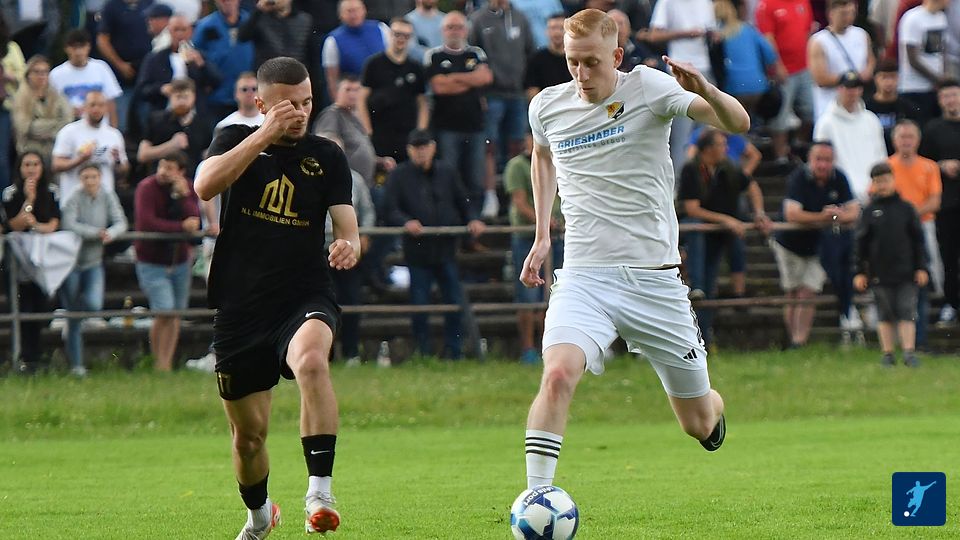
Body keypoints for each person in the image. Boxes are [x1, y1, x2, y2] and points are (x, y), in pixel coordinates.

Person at [519, 8, 750, 492]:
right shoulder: (546, 106)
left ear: (617, 56)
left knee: (698, 423)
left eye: (592, 62)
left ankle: (713, 406)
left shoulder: (649, 87)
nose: (581, 73)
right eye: (572, 61)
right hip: (584, 277)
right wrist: (542, 235)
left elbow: (739, 123)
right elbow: (542, 156)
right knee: (557, 373)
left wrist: (705, 89)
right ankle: (537, 498)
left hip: (654, 280)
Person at [193, 56, 360, 538]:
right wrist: (264, 135)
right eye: (289, 105)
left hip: (304, 292)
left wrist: (349, 244)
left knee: (311, 361)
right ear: (262, 104)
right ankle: (260, 515)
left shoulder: (327, 156)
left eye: (307, 102)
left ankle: (320, 495)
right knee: (248, 438)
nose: (301, 113)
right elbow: (204, 185)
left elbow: (348, 227)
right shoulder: (233, 138)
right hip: (241, 304)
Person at [382, 128, 485, 359]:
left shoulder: (447, 172)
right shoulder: (399, 175)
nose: (421, 151)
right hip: (417, 251)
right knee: (420, 303)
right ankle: (423, 351)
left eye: (424, 146)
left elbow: (463, 201)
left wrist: (473, 219)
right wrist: (405, 222)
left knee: (454, 301)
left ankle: (454, 350)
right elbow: (389, 209)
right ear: (409, 150)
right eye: (416, 147)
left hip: (446, 249)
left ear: (433, 147)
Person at [678, 129, 772, 345]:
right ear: (708, 149)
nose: (726, 148)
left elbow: (751, 185)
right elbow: (692, 209)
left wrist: (759, 213)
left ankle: (703, 339)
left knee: (710, 284)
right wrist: (727, 220)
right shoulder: (691, 169)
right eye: (721, 144)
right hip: (694, 233)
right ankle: (697, 284)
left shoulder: (728, 167)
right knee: (697, 229)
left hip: (717, 234)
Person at [773, 141, 860, 348]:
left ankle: (799, 341)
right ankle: (792, 339)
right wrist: (823, 217)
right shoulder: (798, 178)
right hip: (789, 245)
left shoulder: (839, 178)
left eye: (827, 160)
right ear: (810, 159)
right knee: (793, 292)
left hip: (819, 247)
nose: (823, 165)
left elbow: (854, 212)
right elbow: (791, 214)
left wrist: (836, 215)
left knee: (809, 291)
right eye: (818, 159)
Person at [854, 162, 928, 367]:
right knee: (884, 314)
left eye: (886, 180)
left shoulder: (907, 209)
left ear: (894, 180)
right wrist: (859, 271)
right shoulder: (869, 212)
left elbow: (918, 241)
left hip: (906, 271)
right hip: (879, 272)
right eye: (878, 181)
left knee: (906, 311)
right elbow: (860, 244)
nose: (882, 185)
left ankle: (909, 352)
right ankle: (887, 353)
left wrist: (921, 267)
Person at [134, 151, 201, 372]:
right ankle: (158, 362)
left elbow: (195, 220)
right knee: (164, 310)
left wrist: (184, 197)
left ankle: (167, 362)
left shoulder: (186, 187)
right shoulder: (146, 188)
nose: (163, 172)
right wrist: (180, 227)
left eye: (170, 168)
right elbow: (146, 222)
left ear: (181, 172)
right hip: (151, 260)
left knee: (175, 314)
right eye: (161, 166)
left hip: (179, 260)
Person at [59, 164, 128, 377]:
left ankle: (73, 319)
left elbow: (121, 222)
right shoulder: (73, 197)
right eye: (86, 177)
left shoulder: (108, 196)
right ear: (80, 179)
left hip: (94, 261)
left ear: (100, 178)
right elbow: (69, 224)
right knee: (73, 315)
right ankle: (76, 365)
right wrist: (95, 233)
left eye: (94, 176)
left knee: (93, 304)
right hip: (71, 263)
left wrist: (111, 234)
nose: (90, 181)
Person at [469, 0, 536, 217]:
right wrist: (479, 93)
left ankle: (514, 195)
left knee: (517, 145)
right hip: (491, 94)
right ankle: (491, 196)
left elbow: (530, 52)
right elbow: (472, 56)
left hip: (517, 93)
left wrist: (526, 86)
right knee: (490, 146)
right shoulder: (479, 19)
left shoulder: (521, 17)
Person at [425, 11, 493, 218]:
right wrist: (470, 78)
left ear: (466, 30)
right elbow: (439, 87)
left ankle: (474, 222)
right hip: (446, 127)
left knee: (475, 178)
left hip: (475, 126)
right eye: (450, 27)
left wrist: (451, 78)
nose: (455, 31)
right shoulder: (434, 55)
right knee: (449, 176)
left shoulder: (476, 53)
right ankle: (451, 220)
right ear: (442, 30)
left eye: (459, 27)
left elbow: (485, 78)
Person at [506, 133, 563, 364]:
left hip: (557, 236)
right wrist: (544, 223)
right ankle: (528, 349)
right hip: (527, 237)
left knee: (555, 293)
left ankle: (549, 346)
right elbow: (519, 203)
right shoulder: (517, 166)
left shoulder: (558, 159)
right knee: (528, 296)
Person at [1, 151, 60, 374]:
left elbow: (53, 224)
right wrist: (29, 200)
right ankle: (22, 356)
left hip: (44, 258)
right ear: (19, 168)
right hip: (17, 259)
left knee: (41, 306)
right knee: (21, 307)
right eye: (27, 164)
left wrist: (36, 226)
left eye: (36, 164)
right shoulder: (10, 193)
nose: (32, 169)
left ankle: (36, 356)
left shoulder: (52, 191)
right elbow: (14, 225)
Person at [888, 119, 942, 348]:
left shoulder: (929, 167)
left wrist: (908, 216)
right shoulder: (886, 166)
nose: (906, 141)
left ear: (918, 140)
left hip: (922, 227)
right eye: (902, 136)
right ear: (894, 140)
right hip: (892, 230)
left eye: (910, 136)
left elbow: (935, 201)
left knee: (922, 279)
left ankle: (920, 337)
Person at [647, 0, 716, 177]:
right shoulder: (667, 2)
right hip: (678, 70)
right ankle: (678, 183)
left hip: (704, 68)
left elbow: (712, 30)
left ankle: (702, 183)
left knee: (705, 134)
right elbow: (654, 35)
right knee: (681, 134)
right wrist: (685, 33)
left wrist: (713, 35)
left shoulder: (705, 2)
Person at [358, 17, 429, 164]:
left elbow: (422, 102)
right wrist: (367, 130)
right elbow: (361, 98)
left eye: (406, 36)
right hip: (379, 132)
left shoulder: (416, 67)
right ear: (390, 34)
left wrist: (420, 131)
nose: (401, 39)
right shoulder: (373, 64)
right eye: (397, 34)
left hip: (407, 135)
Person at [920, 79, 960, 328]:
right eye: (946, 96)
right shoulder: (932, 129)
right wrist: (940, 166)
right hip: (945, 204)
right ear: (939, 100)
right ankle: (951, 303)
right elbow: (922, 164)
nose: (951, 101)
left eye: (954, 95)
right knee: (948, 257)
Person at [813, 71, 887, 204]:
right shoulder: (825, 123)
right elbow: (822, 160)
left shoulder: (871, 120)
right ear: (839, 89)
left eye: (855, 87)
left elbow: (881, 156)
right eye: (847, 87)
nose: (851, 92)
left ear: (861, 90)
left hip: (873, 193)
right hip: (842, 195)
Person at [755, 0, 815, 162]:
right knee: (780, 119)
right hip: (783, 71)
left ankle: (798, 148)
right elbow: (767, 38)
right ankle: (781, 158)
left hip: (804, 68)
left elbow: (807, 31)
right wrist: (777, 65)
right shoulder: (767, 5)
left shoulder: (803, 2)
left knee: (810, 112)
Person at [135, 14, 223, 122]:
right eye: (176, 30)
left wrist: (202, 64)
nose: (180, 34)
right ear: (169, 31)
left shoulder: (200, 56)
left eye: (184, 30)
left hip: (196, 117)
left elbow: (217, 81)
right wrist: (161, 89)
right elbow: (142, 89)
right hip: (164, 115)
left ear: (191, 32)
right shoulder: (155, 58)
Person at [51, 90, 130, 205]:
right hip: (74, 201)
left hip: (103, 202)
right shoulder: (69, 131)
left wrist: (117, 161)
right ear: (84, 107)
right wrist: (80, 159)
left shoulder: (114, 135)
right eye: (92, 105)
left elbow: (123, 171)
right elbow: (56, 165)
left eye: (101, 105)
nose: (96, 109)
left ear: (106, 108)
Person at [808, 0, 876, 121]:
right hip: (829, 106)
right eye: (843, 14)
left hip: (857, 105)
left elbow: (870, 59)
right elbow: (820, 79)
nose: (847, 18)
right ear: (831, 13)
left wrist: (868, 72)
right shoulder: (819, 41)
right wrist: (849, 78)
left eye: (851, 13)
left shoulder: (861, 34)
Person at [193, 0, 257, 122]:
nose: (226, 2)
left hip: (248, 94)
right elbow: (196, 59)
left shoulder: (250, 22)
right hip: (217, 97)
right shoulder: (206, 26)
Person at [137, 78, 214, 177]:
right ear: (170, 97)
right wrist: (171, 146)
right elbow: (142, 155)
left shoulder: (203, 123)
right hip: (160, 178)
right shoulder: (156, 120)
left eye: (185, 97)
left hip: (192, 181)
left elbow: (207, 154)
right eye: (178, 97)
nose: (181, 101)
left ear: (194, 96)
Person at [96, 0, 154, 131]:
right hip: (121, 77)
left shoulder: (149, 3)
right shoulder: (111, 6)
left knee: (149, 124)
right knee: (120, 125)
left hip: (146, 76)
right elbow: (102, 40)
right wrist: (120, 65)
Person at [49, 29, 123, 126]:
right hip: (69, 127)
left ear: (88, 47)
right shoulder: (56, 74)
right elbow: (50, 105)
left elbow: (111, 101)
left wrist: (113, 130)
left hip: (100, 127)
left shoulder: (101, 68)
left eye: (82, 47)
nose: (78, 52)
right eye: (74, 47)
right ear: (66, 48)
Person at [322, 0, 390, 100]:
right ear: (340, 14)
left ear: (364, 10)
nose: (354, 15)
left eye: (357, 10)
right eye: (349, 11)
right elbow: (332, 79)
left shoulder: (381, 28)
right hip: (354, 97)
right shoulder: (332, 41)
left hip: (384, 91)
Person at [11, 55, 73, 160]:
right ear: (28, 74)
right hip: (29, 149)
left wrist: (49, 131)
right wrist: (54, 123)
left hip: (55, 148)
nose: (41, 76)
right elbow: (25, 127)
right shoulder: (20, 98)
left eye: (45, 72)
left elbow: (68, 120)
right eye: (37, 72)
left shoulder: (57, 95)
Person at [897, 0, 948, 125]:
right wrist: (937, 79)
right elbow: (912, 59)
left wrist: (942, 77)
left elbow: (942, 52)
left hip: (934, 87)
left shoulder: (941, 17)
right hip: (914, 87)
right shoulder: (913, 18)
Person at [865, 58, 922, 154]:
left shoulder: (908, 108)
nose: (889, 82)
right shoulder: (866, 107)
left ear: (898, 78)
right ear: (875, 79)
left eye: (893, 77)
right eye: (884, 77)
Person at [0, 14, 25, 190]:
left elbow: (25, 77)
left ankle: (4, 198)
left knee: (2, 158)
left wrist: (9, 76)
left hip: (6, 108)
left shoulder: (11, 48)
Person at [524, 12, 573, 101]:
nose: (557, 32)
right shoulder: (536, 59)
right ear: (546, 31)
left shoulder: (576, 58)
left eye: (561, 28)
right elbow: (532, 90)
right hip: (545, 106)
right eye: (553, 28)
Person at [213, 71, 265, 139]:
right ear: (236, 94)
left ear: (260, 93)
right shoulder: (225, 125)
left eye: (254, 89)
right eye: (244, 89)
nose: (249, 93)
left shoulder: (269, 121)